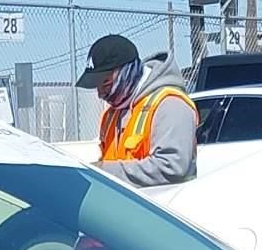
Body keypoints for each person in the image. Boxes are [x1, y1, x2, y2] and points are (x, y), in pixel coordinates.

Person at [77, 34, 197, 185]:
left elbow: (173, 167)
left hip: (158, 206)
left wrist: (103, 172)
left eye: (106, 83)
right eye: (97, 86)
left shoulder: (169, 105)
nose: (100, 94)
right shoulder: (112, 114)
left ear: (127, 71)